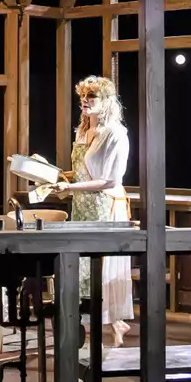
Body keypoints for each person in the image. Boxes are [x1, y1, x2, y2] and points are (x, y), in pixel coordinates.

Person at [53, 75, 134, 348]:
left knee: (104, 265)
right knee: (84, 265)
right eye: (83, 97)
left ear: (106, 101)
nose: (85, 102)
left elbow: (109, 180)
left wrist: (71, 187)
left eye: (91, 97)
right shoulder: (82, 130)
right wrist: (55, 177)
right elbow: (80, 171)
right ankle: (107, 324)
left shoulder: (115, 134)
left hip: (104, 204)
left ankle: (114, 322)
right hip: (83, 204)